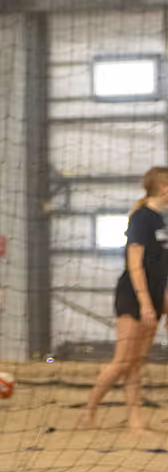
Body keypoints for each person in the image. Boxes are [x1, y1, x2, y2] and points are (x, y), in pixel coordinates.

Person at [81, 166, 168, 431]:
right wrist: (144, 304)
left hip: (153, 298)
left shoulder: (164, 221)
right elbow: (135, 264)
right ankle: (89, 411)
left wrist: (163, 306)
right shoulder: (141, 218)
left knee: (137, 362)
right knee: (121, 361)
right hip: (132, 295)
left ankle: (135, 419)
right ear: (163, 187)